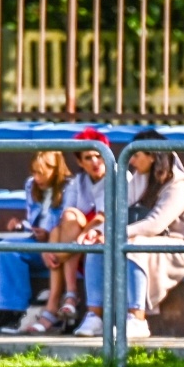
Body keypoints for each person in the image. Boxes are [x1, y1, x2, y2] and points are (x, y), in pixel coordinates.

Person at [75, 129, 184, 342]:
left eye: (136, 155)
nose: (132, 161)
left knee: (134, 245)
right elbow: (118, 211)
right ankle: (95, 316)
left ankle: (137, 318)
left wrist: (114, 234)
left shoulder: (178, 185)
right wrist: (97, 232)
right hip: (146, 241)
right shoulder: (139, 178)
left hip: (182, 247)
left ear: (152, 156)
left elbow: (155, 224)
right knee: (98, 246)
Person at [0, 150, 71, 334]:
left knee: (9, 250)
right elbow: (34, 219)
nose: (37, 178)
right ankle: (1, 310)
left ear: (55, 170)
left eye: (41, 173)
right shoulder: (31, 185)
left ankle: (17, 311)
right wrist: (21, 225)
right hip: (34, 240)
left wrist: (48, 235)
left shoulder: (69, 187)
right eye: (34, 172)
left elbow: (66, 223)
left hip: (53, 245)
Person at [35, 127, 111, 333]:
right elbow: (65, 217)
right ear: (79, 162)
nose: (95, 162)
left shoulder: (118, 177)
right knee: (67, 220)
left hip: (103, 237)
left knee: (67, 236)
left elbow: (104, 217)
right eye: (88, 158)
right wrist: (49, 246)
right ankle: (66, 297)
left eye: (99, 155)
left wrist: (58, 250)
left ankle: (57, 304)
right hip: (78, 241)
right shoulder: (78, 182)